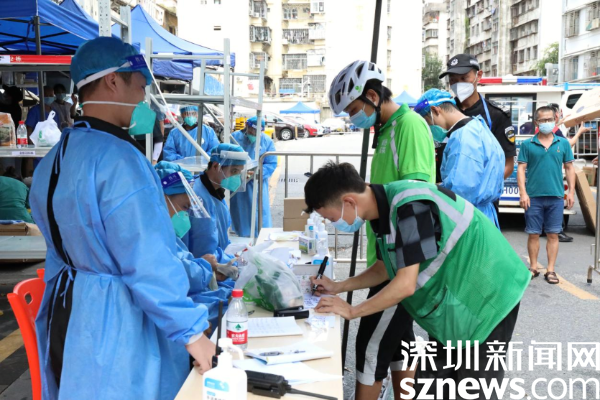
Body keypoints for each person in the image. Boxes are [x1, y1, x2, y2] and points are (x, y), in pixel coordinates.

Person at [29, 37, 215, 400]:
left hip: (66, 314)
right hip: (114, 322)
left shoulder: (54, 159)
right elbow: (147, 260)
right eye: (141, 87)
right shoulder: (121, 160)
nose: (143, 100)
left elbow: (58, 247)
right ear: (113, 80)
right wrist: (193, 333)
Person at [305, 162, 529, 399]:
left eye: (331, 217)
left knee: (473, 388)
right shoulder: (383, 210)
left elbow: (405, 284)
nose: (334, 223)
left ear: (349, 201)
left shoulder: (409, 207)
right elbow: (384, 269)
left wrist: (353, 310)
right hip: (454, 307)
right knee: (432, 388)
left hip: (489, 298)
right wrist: (339, 286)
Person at [329, 60, 435, 399]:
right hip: (385, 258)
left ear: (373, 96)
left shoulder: (409, 126)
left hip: (400, 261)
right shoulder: (386, 129)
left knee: (370, 346)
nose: (352, 118)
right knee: (400, 344)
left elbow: (416, 198)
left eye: (353, 109)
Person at [154, 161, 236, 329]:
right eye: (185, 207)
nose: (185, 215)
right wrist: (206, 267)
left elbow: (185, 258)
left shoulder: (165, 232)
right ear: (162, 197)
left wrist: (209, 268)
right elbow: (177, 274)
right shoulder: (150, 237)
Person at [415, 89, 505, 227]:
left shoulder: (463, 137)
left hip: (468, 218)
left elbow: (460, 192)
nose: (430, 129)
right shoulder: (479, 127)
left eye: (428, 123)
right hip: (484, 215)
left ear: (435, 110)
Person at [518, 106, 576, 285]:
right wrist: (523, 193)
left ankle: (550, 270)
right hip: (533, 197)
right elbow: (521, 169)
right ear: (536, 122)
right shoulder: (528, 144)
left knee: (553, 234)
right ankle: (533, 267)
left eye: (549, 119)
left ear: (555, 120)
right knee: (533, 234)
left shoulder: (563, 143)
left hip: (556, 196)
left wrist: (571, 192)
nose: (546, 123)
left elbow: (569, 168)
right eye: (542, 120)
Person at [440, 54, 516, 180]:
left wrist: (485, 187)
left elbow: (508, 164)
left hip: (483, 191)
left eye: (464, 78)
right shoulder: (444, 112)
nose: (458, 84)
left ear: (478, 75)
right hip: (447, 189)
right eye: (453, 80)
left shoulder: (496, 115)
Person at [185, 143, 247, 264]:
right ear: (215, 166)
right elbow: (202, 248)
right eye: (234, 171)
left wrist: (231, 254)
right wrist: (228, 261)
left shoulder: (216, 192)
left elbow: (221, 236)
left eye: (239, 172)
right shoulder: (198, 197)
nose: (236, 177)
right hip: (205, 267)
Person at [230, 116, 277, 237]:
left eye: (257, 131)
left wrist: (257, 172)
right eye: (252, 130)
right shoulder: (234, 138)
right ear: (247, 126)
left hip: (257, 182)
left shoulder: (266, 141)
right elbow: (226, 158)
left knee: (259, 212)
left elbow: (271, 163)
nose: (254, 133)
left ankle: (261, 236)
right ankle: (242, 236)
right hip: (237, 182)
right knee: (241, 212)